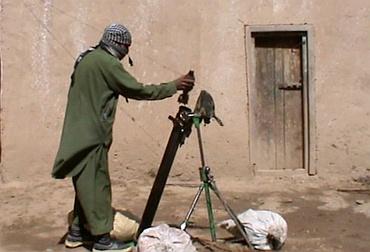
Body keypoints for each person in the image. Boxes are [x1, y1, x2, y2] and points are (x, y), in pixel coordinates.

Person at [52, 23, 194, 251]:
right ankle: (102, 240)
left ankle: (77, 232)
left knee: (85, 185)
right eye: (127, 47)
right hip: (92, 137)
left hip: (77, 133)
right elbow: (138, 90)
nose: (127, 52)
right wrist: (173, 86)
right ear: (119, 45)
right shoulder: (107, 63)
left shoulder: (87, 57)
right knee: (98, 186)